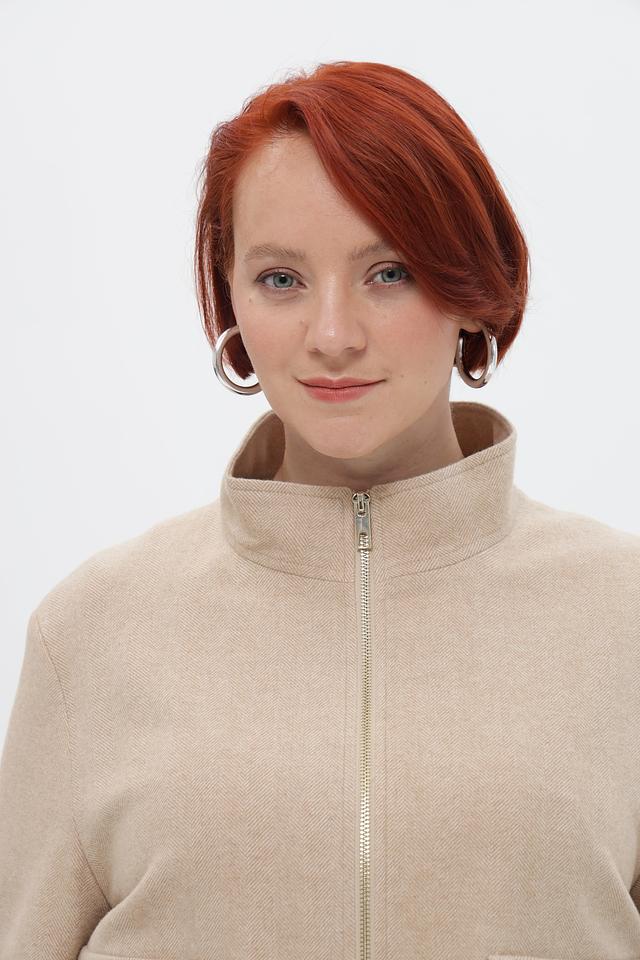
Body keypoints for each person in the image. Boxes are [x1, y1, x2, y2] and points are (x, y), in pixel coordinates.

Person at [1, 59, 639, 960]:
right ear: (229, 296)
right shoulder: (92, 632)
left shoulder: (623, 617)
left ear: (469, 288)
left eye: (389, 272)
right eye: (281, 280)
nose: (333, 335)